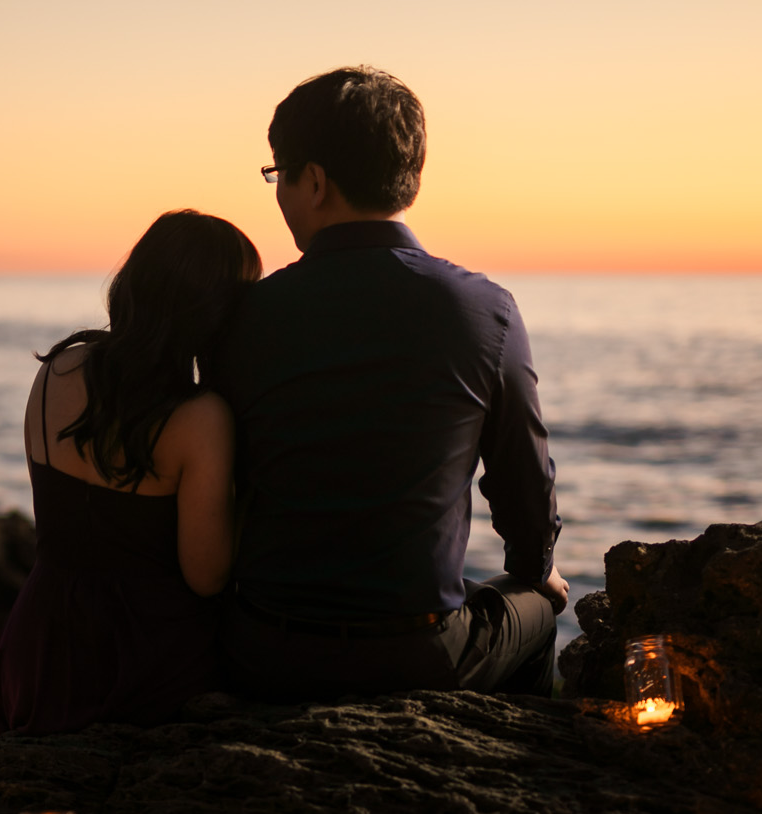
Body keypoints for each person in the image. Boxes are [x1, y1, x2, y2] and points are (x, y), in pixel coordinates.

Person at [215, 67, 566, 702]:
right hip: (417, 658)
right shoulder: (484, 310)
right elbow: (523, 483)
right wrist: (535, 573)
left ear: (314, 181)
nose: (279, 194)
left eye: (278, 174)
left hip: (262, 653)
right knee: (538, 609)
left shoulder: (245, 315)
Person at [0, 210, 260, 740]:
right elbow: (206, 575)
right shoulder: (201, 419)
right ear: (217, 312)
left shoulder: (57, 369)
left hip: (39, 638)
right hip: (143, 658)